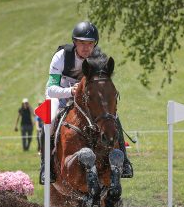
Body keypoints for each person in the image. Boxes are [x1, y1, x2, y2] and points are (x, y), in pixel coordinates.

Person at [41, 21, 133, 184]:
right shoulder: (61, 57)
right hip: (60, 94)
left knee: (112, 117)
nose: (86, 47)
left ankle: (125, 162)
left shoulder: (99, 59)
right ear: (75, 42)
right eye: (82, 43)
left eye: (90, 43)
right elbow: (50, 89)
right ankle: (46, 167)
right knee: (50, 119)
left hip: (86, 98)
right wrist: (70, 91)